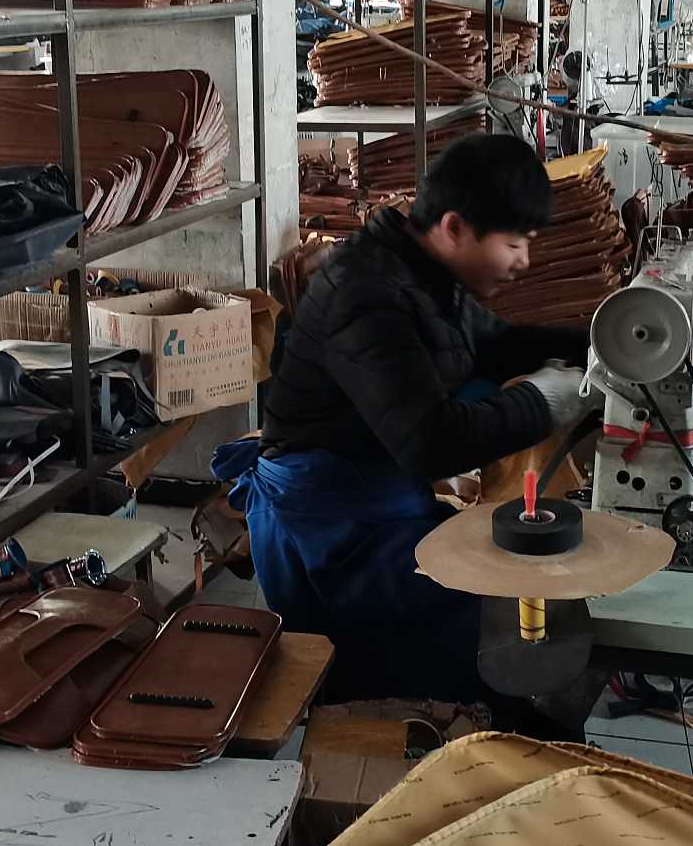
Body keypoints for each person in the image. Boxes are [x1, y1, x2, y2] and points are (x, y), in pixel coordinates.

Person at [216, 133, 590, 704]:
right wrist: (544, 402)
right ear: (455, 227)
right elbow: (430, 443)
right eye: (514, 243)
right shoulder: (365, 292)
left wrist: (608, 341)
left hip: (378, 497)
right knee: (494, 639)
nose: (524, 262)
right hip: (332, 530)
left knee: (516, 626)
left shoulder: (427, 278)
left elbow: (500, 346)